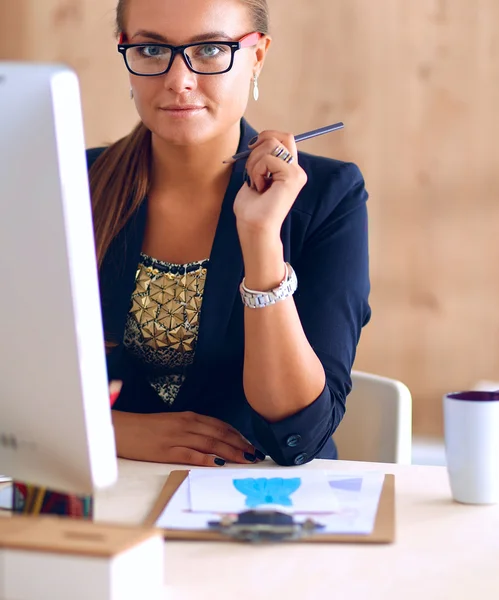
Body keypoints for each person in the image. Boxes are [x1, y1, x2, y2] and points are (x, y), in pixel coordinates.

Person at [87, 0, 371, 468]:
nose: (179, 80)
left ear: (256, 55)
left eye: (211, 49)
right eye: (153, 49)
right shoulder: (70, 182)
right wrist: (111, 431)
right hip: (107, 496)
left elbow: (298, 433)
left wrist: (261, 238)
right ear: (126, 51)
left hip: (260, 503)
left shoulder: (329, 197)